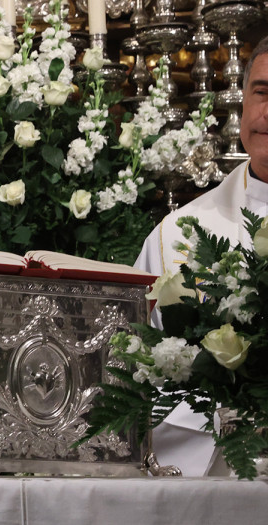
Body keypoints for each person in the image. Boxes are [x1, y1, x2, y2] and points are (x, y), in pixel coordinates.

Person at [134, 35, 268, 477]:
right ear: (243, 103)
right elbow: (136, 367)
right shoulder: (177, 236)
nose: (267, 114)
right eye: (261, 94)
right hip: (213, 474)